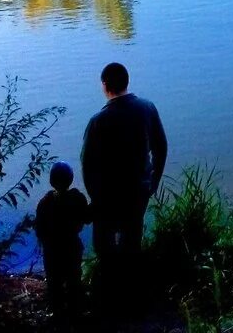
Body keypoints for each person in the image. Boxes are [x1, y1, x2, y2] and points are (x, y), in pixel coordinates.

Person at [80, 62, 168, 316]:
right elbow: (161, 147)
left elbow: (87, 164)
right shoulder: (147, 108)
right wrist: (154, 181)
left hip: (107, 196)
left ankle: (108, 300)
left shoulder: (98, 121)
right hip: (139, 190)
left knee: (104, 247)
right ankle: (134, 297)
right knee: (132, 241)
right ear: (127, 82)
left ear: (105, 86)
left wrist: (94, 196)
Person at [33, 161, 91, 317]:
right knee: (73, 277)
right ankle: (75, 310)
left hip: (51, 249)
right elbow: (87, 218)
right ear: (71, 179)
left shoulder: (45, 202)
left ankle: (56, 311)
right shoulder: (77, 198)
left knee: (53, 281)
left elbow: (39, 228)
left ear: (52, 181)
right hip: (72, 245)